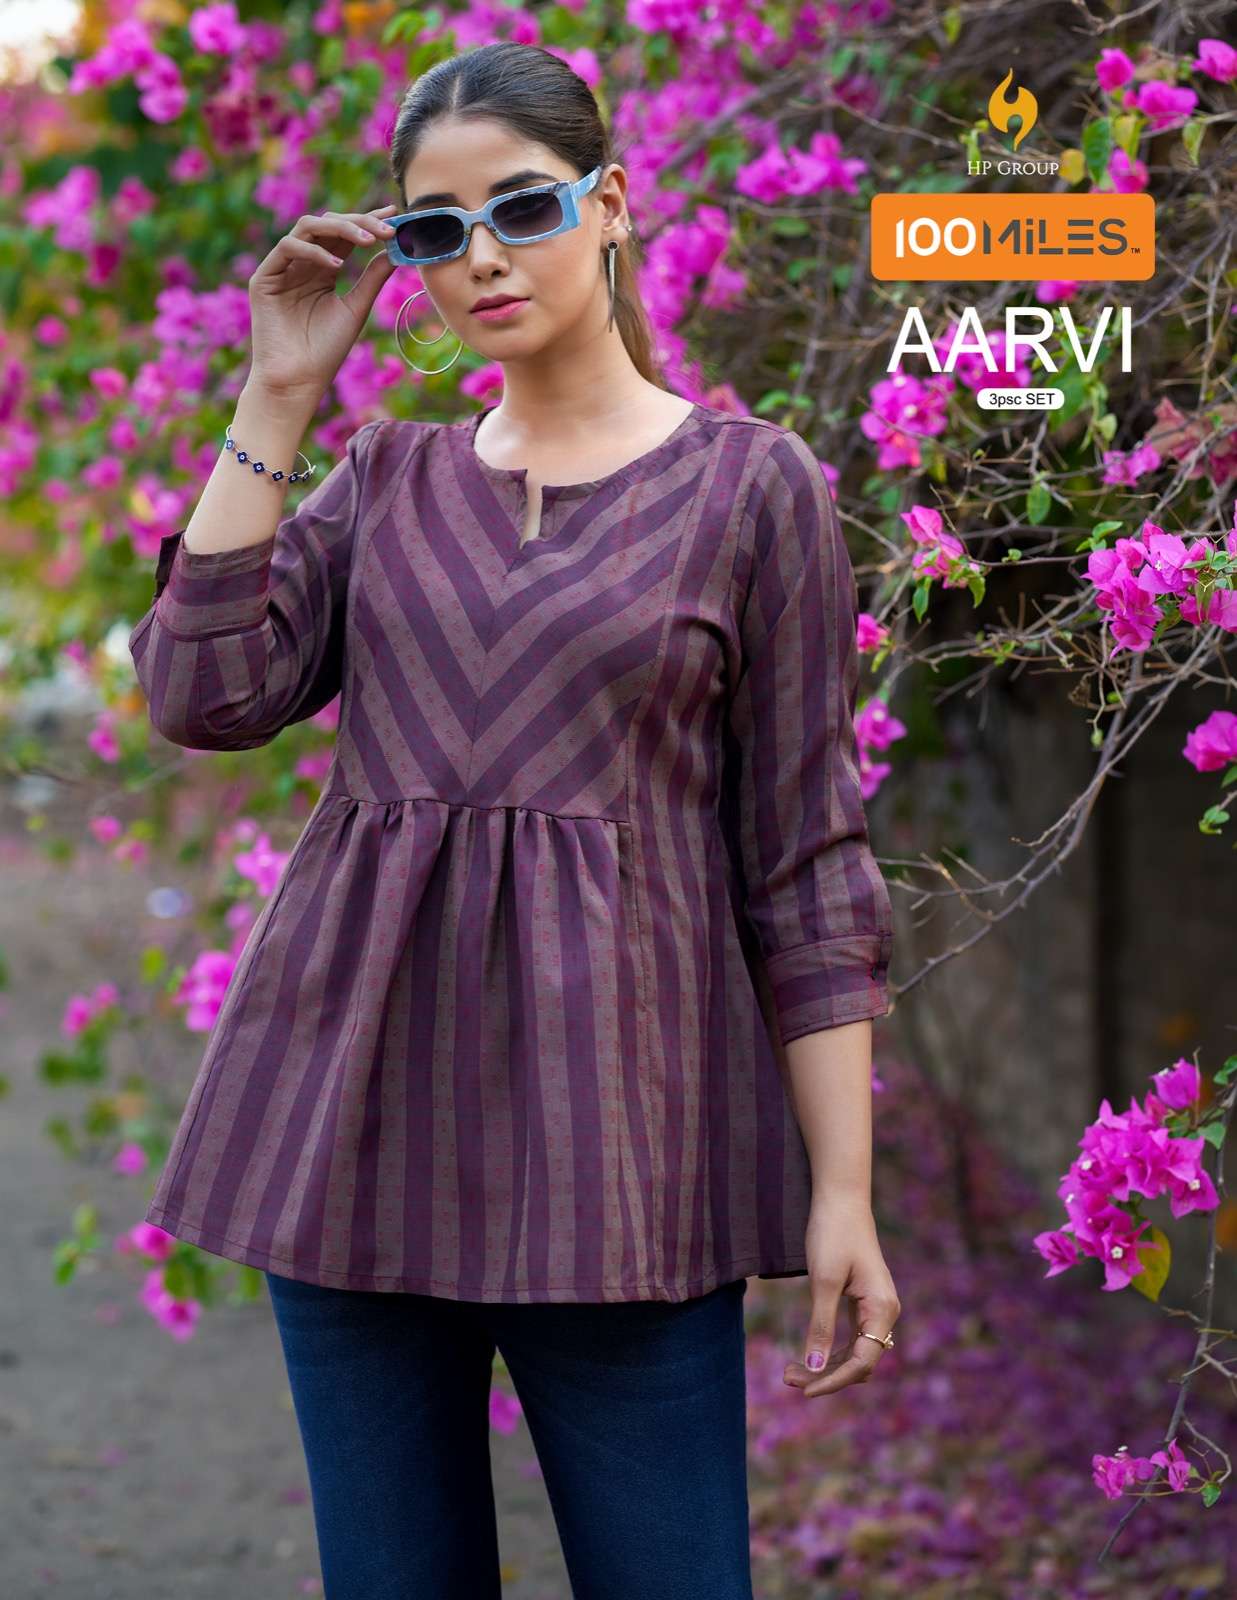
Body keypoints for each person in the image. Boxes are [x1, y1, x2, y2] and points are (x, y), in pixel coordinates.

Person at [127, 39, 901, 1600]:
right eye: (435, 228)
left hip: (622, 1172)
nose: (480, 257)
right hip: (352, 1151)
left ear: (608, 206)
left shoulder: (753, 489)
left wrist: (841, 1191)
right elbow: (201, 694)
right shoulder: (383, 477)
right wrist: (278, 387)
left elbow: (805, 864)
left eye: (523, 208)